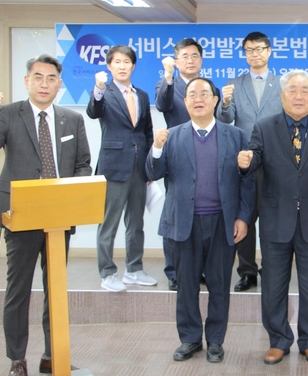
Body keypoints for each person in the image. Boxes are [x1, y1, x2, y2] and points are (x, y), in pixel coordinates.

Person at [0, 54, 92, 376]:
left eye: (51, 78)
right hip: (23, 215)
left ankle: (52, 355)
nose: (45, 84)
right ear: (27, 81)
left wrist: (78, 190)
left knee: (55, 289)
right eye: (38, 77)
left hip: (59, 217)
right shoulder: (10, 114)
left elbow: (83, 162)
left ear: (60, 84)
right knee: (19, 290)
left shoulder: (72, 119)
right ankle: (17, 359)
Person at [237, 70, 308, 366]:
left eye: (304, 90)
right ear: (282, 96)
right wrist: (245, 163)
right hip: (275, 218)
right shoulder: (264, 127)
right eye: (292, 90)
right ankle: (279, 340)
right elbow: (254, 159)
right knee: (273, 285)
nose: (298, 96)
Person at [146, 77, 254, 364]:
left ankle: (216, 340)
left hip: (222, 222)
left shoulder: (236, 136)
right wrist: (156, 148)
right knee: (186, 285)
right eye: (192, 94)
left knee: (219, 284)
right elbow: (153, 173)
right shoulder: (172, 135)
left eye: (204, 94)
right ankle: (190, 339)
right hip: (184, 223)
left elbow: (247, 181)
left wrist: (243, 217)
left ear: (215, 100)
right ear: (185, 102)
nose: (198, 99)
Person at [217, 31, 283, 292]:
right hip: (244, 161)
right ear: (245, 54)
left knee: (272, 219)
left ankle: (271, 267)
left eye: (259, 49)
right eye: (249, 50)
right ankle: (246, 270)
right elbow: (225, 120)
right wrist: (225, 103)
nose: (254, 54)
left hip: (275, 162)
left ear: (269, 51)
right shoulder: (235, 83)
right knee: (243, 216)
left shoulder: (282, 83)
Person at [87, 45, 155, 292]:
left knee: (136, 222)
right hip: (113, 166)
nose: (122, 66)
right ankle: (107, 273)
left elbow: (146, 132)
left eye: (127, 62)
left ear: (133, 66)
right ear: (109, 66)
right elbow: (93, 112)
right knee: (109, 223)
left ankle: (134, 269)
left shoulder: (143, 95)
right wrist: (98, 89)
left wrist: (149, 166)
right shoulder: (104, 92)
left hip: (139, 166)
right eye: (117, 62)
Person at [155, 38, 220, 290]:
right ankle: (174, 270)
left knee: (203, 215)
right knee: (175, 212)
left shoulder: (206, 87)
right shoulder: (167, 83)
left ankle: (199, 269)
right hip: (178, 153)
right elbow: (162, 104)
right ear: (176, 59)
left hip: (206, 152)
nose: (190, 60)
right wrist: (168, 76)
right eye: (185, 56)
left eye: (195, 56)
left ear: (201, 60)